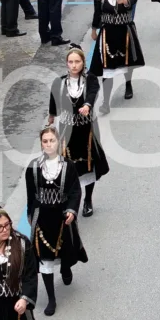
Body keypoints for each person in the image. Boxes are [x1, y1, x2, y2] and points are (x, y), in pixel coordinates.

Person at [25, 126, 87, 315]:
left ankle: (66, 268)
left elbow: (75, 191)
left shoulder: (68, 166)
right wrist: (31, 216)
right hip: (42, 219)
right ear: (41, 144)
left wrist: (71, 211)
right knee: (45, 259)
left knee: (65, 249)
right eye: (45, 141)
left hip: (62, 217)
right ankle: (51, 299)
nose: (49, 144)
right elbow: (31, 196)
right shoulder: (33, 168)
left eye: (52, 140)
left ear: (59, 143)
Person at [49, 46, 110, 216]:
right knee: (66, 164)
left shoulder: (90, 79)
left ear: (83, 62)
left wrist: (87, 105)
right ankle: (70, 201)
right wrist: (51, 116)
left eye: (77, 61)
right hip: (67, 129)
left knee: (88, 163)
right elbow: (53, 99)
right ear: (67, 63)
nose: (74, 65)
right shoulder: (59, 82)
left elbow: (92, 93)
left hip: (86, 129)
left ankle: (88, 199)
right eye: (71, 62)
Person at [92, 0, 143, 109]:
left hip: (125, 31)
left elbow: (133, 0)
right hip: (108, 32)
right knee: (107, 67)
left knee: (127, 61)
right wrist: (94, 29)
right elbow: (97, 14)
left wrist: (125, 1)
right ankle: (106, 102)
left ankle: (128, 84)